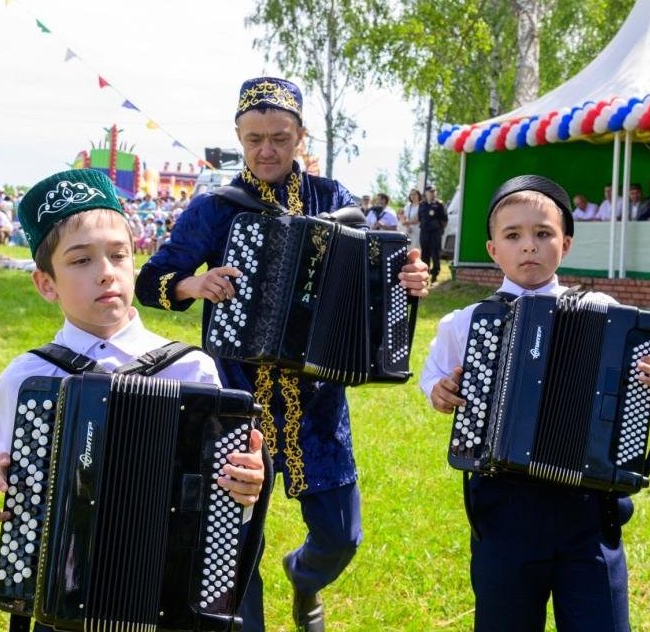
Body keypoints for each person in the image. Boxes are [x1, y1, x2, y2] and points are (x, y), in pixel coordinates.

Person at [133, 76, 429, 632]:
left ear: (301, 138)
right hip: (234, 391)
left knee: (341, 536)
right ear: (238, 139)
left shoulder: (333, 199)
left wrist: (407, 278)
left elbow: (375, 276)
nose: (266, 150)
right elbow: (150, 281)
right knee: (235, 543)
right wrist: (193, 286)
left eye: (279, 137)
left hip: (315, 398)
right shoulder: (214, 209)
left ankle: (305, 577)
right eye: (254, 139)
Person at [0, 169, 267, 632]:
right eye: (81, 262)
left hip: (167, 595)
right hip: (61, 593)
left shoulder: (191, 371)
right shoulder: (34, 374)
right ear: (46, 284)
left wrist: (247, 482)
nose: (106, 273)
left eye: (119, 256)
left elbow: (227, 489)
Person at [420, 174, 650, 632]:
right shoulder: (465, 322)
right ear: (493, 249)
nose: (529, 247)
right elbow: (435, 379)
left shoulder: (606, 313)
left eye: (543, 234)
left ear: (567, 244)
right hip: (504, 509)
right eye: (513, 236)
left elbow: (641, 390)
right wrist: (440, 392)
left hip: (588, 508)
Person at [419, 184, 448, 284]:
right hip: (424, 233)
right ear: (426, 193)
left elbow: (444, 219)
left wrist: (440, 230)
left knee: (435, 254)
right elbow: (420, 218)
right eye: (430, 191)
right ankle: (425, 276)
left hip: (435, 233)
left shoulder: (439, 204)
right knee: (424, 255)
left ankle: (435, 275)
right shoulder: (422, 205)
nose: (432, 193)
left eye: (434, 191)